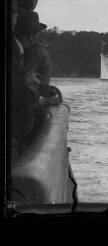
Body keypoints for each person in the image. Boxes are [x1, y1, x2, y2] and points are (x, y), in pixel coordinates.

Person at [12, 10, 58, 151]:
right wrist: (42, 100)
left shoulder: (21, 52)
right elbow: (19, 88)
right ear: (31, 36)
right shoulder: (21, 52)